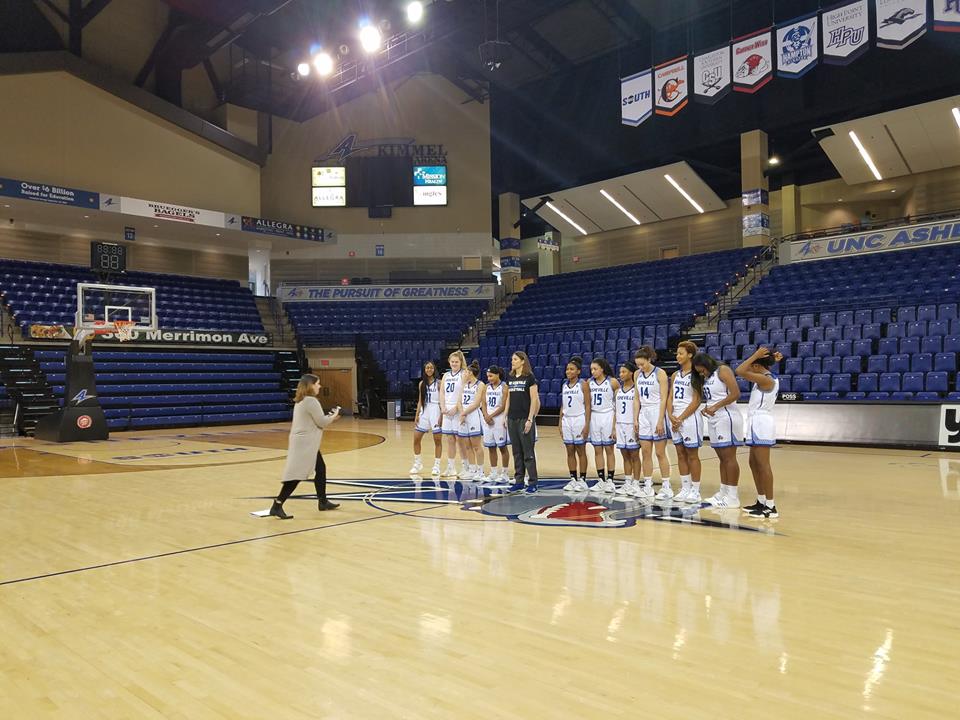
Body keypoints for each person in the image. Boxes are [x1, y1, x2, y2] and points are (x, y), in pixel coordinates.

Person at [269, 374, 341, 519]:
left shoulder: (301, 400)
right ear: (311, 385)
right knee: (296, 476)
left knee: (320, 469)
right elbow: (322, 422)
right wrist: (334, 416)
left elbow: (316, 420)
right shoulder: (311, 401)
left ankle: (323, 501)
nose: (319, 386)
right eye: (318, 384)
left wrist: (328, 418)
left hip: (304, 442)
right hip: (306, 444)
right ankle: (277, 505)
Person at [735, 347, 782, 518]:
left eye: (753, 364)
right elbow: (749, 369)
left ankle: (771, 506)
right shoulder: (765, 377)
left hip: (762, 422)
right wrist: (770, 359)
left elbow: (740, 370)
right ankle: (761, 501)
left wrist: (755, 356)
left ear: (756, 365)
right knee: (754, 463)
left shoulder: (765, 380)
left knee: (763, 465)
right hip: (756, 421)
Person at [692, 352, 743, 508]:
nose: (702, 373)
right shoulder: (708, 377)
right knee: (722, 459)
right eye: (699, 372)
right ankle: (724, 491)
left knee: (729, 458)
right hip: (715, 417)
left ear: (707, 364)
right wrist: (707, 408)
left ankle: (733, 497)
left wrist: (716, 406)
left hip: (727, 417)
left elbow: (736, 393)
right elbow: (714, 397)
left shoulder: (723, 370)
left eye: (702, 370)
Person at [662, 341, 703, 503]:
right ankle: (685, 487)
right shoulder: (675, 375)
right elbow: (670, 396)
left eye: (681, 353)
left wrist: (680, 418)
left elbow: (697, 400)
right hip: (675, 419)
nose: (677, 356)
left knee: (692, 454)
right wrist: (671, 415)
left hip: (690, 418)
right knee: (680, 453)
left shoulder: (696, 374)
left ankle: (695, 490)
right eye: (677, 353)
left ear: (690, 355)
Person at [634, 346, 670, 499]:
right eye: (638, 365)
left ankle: (666, 487)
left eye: (643, 364)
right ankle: (647, 485)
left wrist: (660, 420)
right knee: (645, 452)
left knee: (660, 453)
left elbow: (664, 398)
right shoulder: (637, 374)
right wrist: (635, 418)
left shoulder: (660, 373)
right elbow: (636, 398)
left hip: (656, 411)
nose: (640, 367)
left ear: (649, 359)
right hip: (644, 413)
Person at [504, 350, 540, 494]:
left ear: (522, 361)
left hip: (525, 418)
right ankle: (519, 480)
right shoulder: (510, 377)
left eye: (515, 359)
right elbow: (507, 398)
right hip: (512, 418)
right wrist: (505, 416)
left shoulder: (529, 377)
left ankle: (532, 482)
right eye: (512, 359)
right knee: (516, 451)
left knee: (528, 452)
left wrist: (530, 419)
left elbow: (534, 399)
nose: (512, 361)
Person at [587, 357, 619, 492]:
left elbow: (618, 404)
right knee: (597, 450)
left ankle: (610, 480)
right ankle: (601, 480)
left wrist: (614, 425)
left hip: (608, 415)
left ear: (602, 369)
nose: (593, 372)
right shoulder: (589, 383)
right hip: (594, 417)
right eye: (591, 369)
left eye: (595, 369)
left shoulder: (612, 382)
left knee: (609, 450)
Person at [561, 356, 591, 492]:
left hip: (579, 419)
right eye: (567, 369)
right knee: (569, 450)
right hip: (567, 420)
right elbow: (563, 405)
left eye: (572, 369)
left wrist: (587, 424)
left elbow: (588, 405)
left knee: (581, 450)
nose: (568, 371)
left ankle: (582, 480)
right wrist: (559, 422)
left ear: (578, 371)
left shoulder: (583, 384)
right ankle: (573, 478)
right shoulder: (564, 385)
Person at [410, 360, 442, 476]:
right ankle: (417, 463)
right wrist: (417, 414)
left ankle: (437, 466)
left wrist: (442, 415)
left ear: (434, 369)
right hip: (425, 410)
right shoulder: (421, 384)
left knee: (437, 440)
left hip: (436, 410)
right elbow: (420, 400)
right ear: (424, 370)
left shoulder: (439, 383)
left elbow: (442, 401)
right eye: (427, 368)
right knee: (416, 439)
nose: (429, 369)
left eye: (431, 368)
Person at [614, 361, 642, 496]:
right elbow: (616, 410)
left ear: (631, 373)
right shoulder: (618, 391)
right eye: (620, 372)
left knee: (634, 455)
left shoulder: (636, 390)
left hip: (631, 425)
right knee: (625, 455)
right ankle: (627, 482)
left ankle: (636, 483)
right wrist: (614, 428)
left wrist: (638, 424)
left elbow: (639, 408)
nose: (621, 374)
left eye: (624, 372)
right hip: (620, 424)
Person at [457, 360, 486, 481]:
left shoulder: (480, 385)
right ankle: (472, 469)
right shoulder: (464, 384)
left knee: (476, 445)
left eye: (466, 372)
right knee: (467, 445)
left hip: (473, 415)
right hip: (464, 415)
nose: (464, 373)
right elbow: (459, 401)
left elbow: (476, 403)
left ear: (470, 372)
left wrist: (463, 413)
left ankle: (480, 471)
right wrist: (462, 413)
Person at [439, 350, 466, 478]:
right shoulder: (445, 375)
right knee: (450, 440)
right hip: (447, 411)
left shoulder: (464, 374)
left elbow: (465, 392)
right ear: (449, 362)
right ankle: (451, 467)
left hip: (458, 410)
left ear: (461, 362)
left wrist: (457, 407)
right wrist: (442, 406)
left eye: (456, 361)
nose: (454, 363)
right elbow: (442, 393)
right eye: (452, 361)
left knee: (460, 440)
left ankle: (465, 467)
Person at [481, 365, 510, 483]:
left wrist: (491, 416)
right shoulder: (486, 387)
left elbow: (503, 406)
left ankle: (505, 473)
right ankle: (493, 472)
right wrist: (485, 415)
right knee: (491, 447)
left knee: (502, 447)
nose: (489, 378)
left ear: (498, 374)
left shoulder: (504, 387)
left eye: (491, 376)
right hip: (487, 420)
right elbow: (483, 403)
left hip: (499, 419)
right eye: (488, 376)